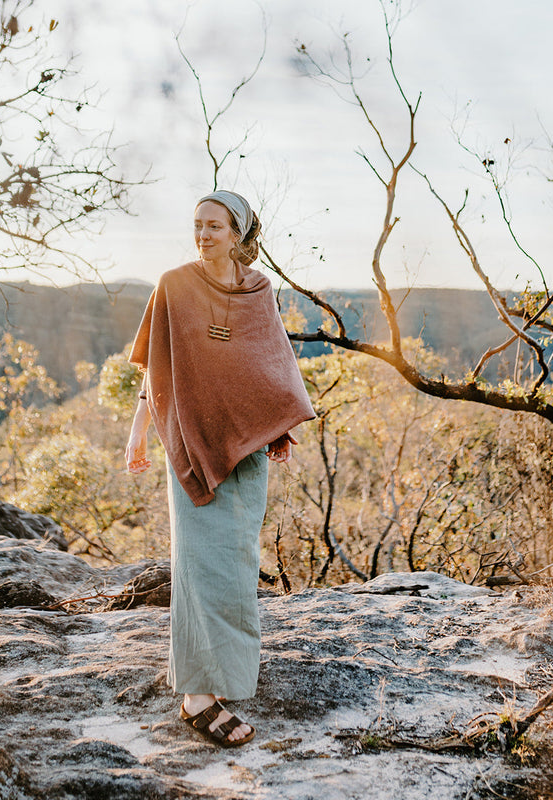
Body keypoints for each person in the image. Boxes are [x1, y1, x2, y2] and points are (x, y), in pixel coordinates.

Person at [124, 190, 315, 748]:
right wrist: (139, 429)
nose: (203, 235)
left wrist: (276, 426)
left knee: (234, 565)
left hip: (246, 451)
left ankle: (219, 677)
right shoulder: (175, 285)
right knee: (199, 564)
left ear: (238, 234)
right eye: (197, 225)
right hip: (189, 439)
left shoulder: (258, 290)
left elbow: (267, 362)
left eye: (214, 226)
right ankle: (196, 698)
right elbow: (158, 367)